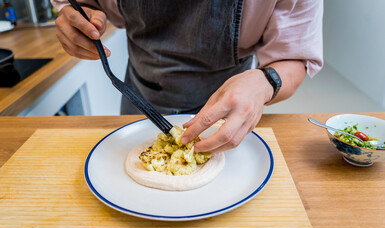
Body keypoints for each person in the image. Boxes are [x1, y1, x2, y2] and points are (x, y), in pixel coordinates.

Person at [51, 0, 323, 153]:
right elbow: (82, 3)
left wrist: (265, 83)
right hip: (139, 98)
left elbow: (294, 57)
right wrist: (76, 13)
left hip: (233, 113)